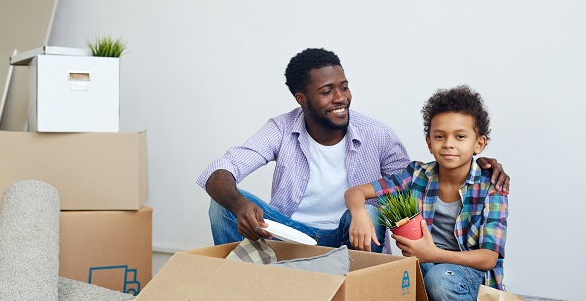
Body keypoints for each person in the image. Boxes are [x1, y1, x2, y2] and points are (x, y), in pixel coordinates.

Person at [196, 48, 509, 253]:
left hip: (353, 241)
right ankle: (248, 289)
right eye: (327, 91)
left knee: (373, 208)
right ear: (301, 99)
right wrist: (238, 204)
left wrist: (473, 163)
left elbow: (410, 187)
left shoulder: (378, 134)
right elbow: (220, 171)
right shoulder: (280, 129)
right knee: (221, 204)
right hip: (291, 237)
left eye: (343, 86)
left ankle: (360, 294)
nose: (340, 97)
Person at [344, 85, 507, 301]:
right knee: (373, 217)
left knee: (439, 278)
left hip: (467, 277)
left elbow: (489, 258)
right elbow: (355, 192)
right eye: (440, 136)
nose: (448, 143)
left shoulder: (492, 187)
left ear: (478, 143)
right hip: (424, 266)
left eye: (460, 136)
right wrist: (359, 212)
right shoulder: (417, 175)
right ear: (429, 143)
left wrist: (433, 254)